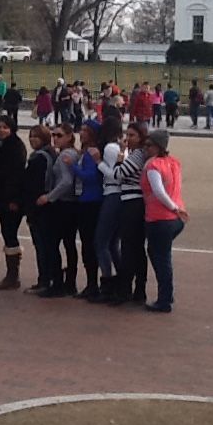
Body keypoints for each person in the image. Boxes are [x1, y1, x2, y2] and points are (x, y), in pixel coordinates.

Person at [140, 130, 187, 313]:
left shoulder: (153, 166)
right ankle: (167, 293)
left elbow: (159, 192)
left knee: (161, 258)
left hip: (160, 217)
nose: (145, 148)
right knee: (160, 254)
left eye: (149, 145)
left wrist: (173, 207)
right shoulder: (174, 162)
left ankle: (164, 299)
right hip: (175, 218)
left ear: (158, 146)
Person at [35, 122, 79, 297]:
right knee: (69, 244)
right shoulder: (73, 153)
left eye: (59, 135)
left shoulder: (64, 156)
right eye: (53, 135)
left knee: (52, 243)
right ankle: (70, 282)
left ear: (69, 136)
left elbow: (66, 181)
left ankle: (58, 283)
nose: (55, 138)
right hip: (72, 204)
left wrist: (49, 197)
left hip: (63, 204)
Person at [108, 122, 148, 305]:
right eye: (127, 135)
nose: (127, 139)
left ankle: (126, 290)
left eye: (132, 135)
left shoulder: (137, 154)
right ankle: (138, 290)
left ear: (140, 137)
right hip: (134, 201)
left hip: (132, 202)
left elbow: (118, 174)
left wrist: (120, 157)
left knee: (129, 247)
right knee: (136, 248)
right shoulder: (138, 154)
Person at [64, 119, 103, 299]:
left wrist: (72, 166)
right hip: (86, 199)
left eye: (85, 131)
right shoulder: (85, 152)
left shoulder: (90, 153)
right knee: (87, 243)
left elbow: (90, 177)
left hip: (90, 201)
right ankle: (91, 283)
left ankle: (92, 284)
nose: (82, 133)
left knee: (88, 243)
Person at [0, 116, 27, 290]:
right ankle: (11, 274)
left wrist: (14, 199)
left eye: (5, 127)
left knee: (10, 232)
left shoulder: (16, 147)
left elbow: (17, 175)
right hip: (2, 195)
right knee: (7, 232)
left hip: (12, 197)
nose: (1, 130)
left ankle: (13, 276)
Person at [88, 116, 123, 302]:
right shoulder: (118, 147)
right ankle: (122, 282)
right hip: (117, 196)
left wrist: (98, 162)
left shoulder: (110, 148)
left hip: (112, 194)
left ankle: (108, 283)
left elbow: (115, 175)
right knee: (112, 243)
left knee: (101, 242)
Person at [22, 125, 55, 294]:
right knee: (46, 245)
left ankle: (44, 280)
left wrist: (30, 208)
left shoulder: (39, 158)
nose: (32, 139)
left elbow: (32, 185)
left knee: (42, 246)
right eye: (31, 136)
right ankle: (47, 279)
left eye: (36, 136)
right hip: (46, 206)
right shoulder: (50, 155)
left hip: (39, 206)